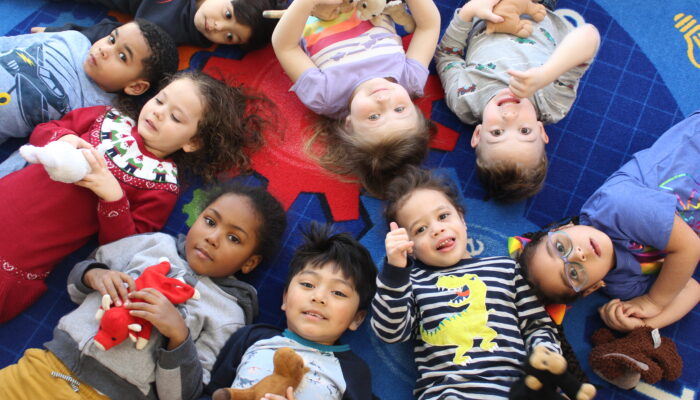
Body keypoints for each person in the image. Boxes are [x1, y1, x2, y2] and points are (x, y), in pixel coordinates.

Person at [0, 70, 267, 322]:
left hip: (14, 260)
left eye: (176, 117)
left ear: (192, 142)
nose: (159, 113)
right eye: (160, 100)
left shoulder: (161, 186)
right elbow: (44, 131)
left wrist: (112, 198)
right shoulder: (106, 117)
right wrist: (63, 138)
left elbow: (124, 251)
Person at [0, 183, 287, 399]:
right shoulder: (152, 244)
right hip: (42, 367)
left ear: (250, 262)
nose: (212, 238)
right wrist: (95, 275)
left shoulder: (229, 312)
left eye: (233, 238)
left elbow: (181, 394)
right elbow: (76, 283)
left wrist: (178, 336)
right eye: (210, 221)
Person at [371, 166, 561, 399]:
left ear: (461, 219)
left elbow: (537, 324)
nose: (437, 229)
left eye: (443, 216)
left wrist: (545, 352)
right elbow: (390, 332)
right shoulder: (411, 283)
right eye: (420, 229)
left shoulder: (507, 268)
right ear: (410, 248)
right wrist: (394, 271)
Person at [516, 112, 700, 332]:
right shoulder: (621, 284)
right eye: (573, 273)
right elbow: (688, 287)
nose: (578, 255)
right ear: (591, 288)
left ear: (563, 228)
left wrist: (654, 302)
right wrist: (644, 325)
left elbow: (690, 249)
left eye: (560, 246)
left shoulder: (614, 206)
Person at [435, 0, 599, 202]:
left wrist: (467, 13)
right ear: (540, 130)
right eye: (524, 131)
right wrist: (546, 75)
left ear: (478, 134)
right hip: (538, 8)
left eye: (497, 133)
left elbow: (447, 56)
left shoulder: (464, 102)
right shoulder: (551, 104)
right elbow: (588, 34)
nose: (510, 116)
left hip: (488, 8)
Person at [272, 0, 440, 198]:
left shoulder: (324, 96)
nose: (384, 99)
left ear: (349, 124)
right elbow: (428, 26)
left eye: (374, 117)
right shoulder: (409, 80)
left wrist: (306, 2)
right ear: (414, 107)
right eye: (400, 110)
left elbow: (285, 47)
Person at [203, 223, 377, 399]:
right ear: (285, 298)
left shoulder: (353, 372)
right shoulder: (251, 338)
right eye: (308, 284)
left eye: (338, 292)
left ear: (357, 318)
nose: (319, 297)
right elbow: (212, 393)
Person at [0, 19, 178, 146]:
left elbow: (49, 142)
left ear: (135, 86)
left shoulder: (101, 113)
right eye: (112, 39)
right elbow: (13, 44)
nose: (104, 50)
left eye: (122, 56)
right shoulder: (74, 39)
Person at [34, 0, 285, 48]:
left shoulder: (169, 31)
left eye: (230, 37)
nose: (218, 28)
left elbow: (116, 35)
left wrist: (61, 33)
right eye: (228, 15)